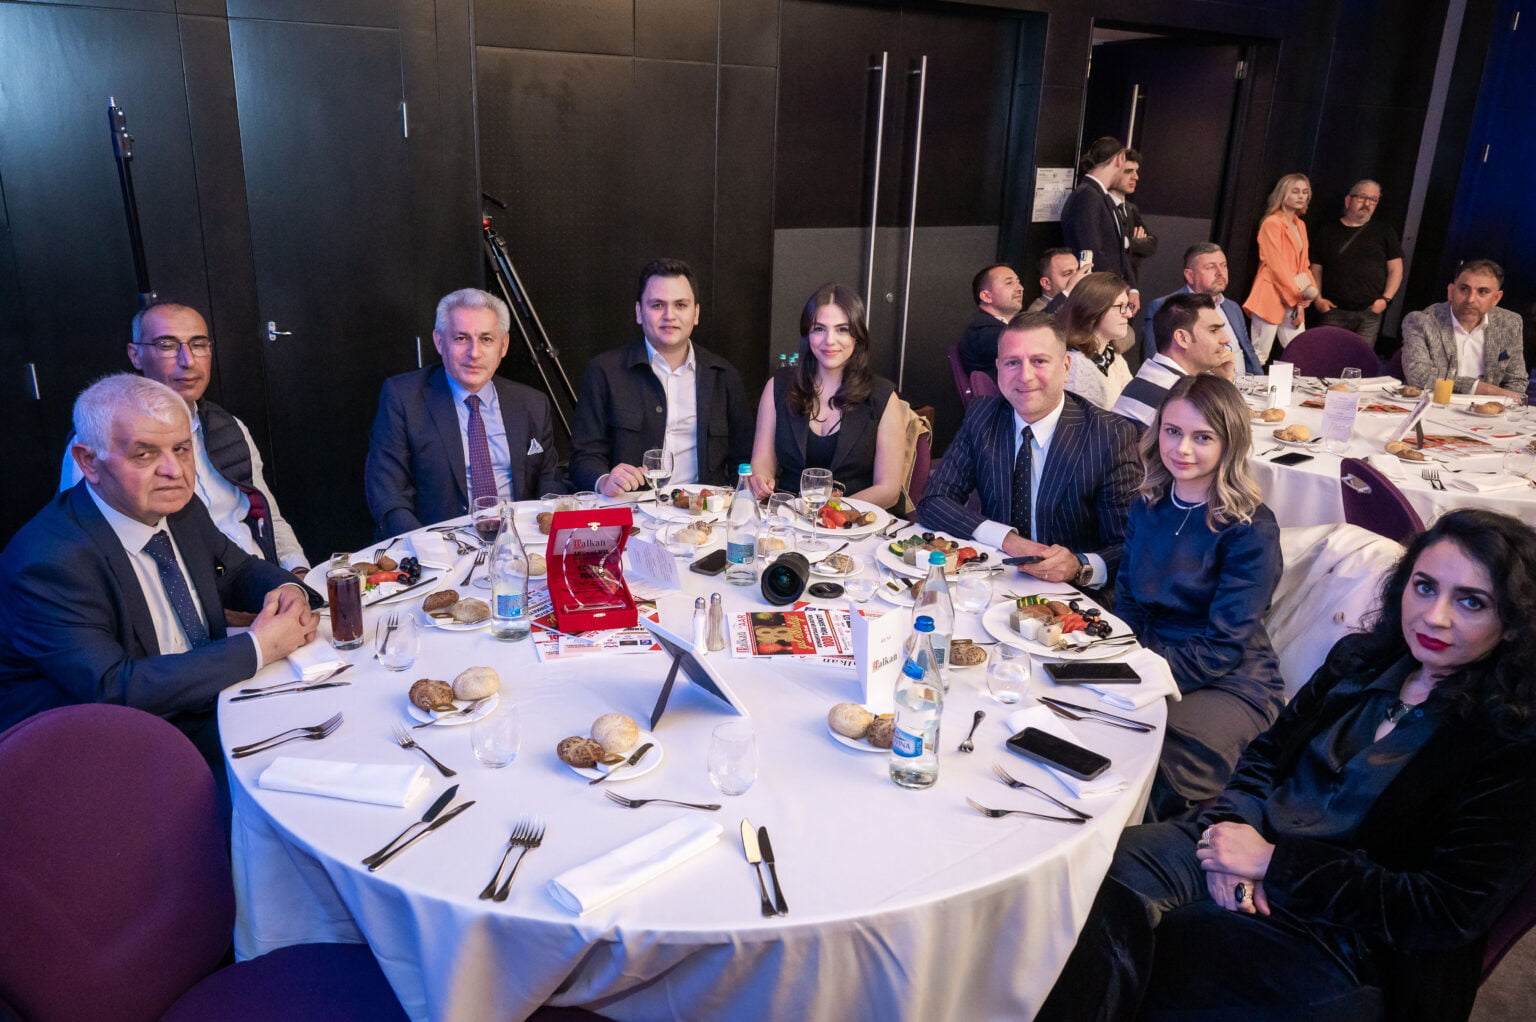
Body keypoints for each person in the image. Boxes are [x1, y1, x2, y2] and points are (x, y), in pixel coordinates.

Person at [1039, 508, 1536, 1022]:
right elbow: (1267, 755)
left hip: (1351, 938)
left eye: (1472, 602)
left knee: (1175, 953)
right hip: (1249, 842)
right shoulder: (1360, 660)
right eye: (1425, 587)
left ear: (1513, 621)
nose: (1435, 616)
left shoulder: (1512, 741)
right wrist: (1230, 837)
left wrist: (1275, 866)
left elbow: (1445, 911)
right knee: (1094, 876)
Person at [0, 375, 319, 784]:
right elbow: (113, 689)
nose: (174, 471)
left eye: (181, 449)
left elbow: (238, 570)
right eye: (144, 454)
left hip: (201, 701)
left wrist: (288, 590)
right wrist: (258, 647)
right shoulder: (48, 561)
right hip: (93, 754)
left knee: (332, 732)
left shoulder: (181, 508)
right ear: (89, 462)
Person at [1116, 375, 1284, 820]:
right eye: (1173, 431)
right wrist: (1121, 662)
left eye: (1202, 437)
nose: (1182, 449)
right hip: (1148, 656)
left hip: (1228, 679)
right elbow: (1127, 599)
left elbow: (1224, 645)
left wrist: (1141, 677)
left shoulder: (1250, 529)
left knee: (1150, 756)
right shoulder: (1147, 504)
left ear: (1230, 443)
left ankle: (1136, 854)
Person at [61, 303, 310, 584]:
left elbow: (268, 518)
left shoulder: (231, 428)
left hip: (259, 580)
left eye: (198, 344)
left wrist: (298, 574)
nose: (188, 360)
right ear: (135, 355)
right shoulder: (100, 442)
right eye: (167, 345)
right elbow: (91, 549)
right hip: (187, 597)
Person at [916, 312, 1138, 590]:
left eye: (1039, 361)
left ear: (1066, 367)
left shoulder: (1108, 435)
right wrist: (1008, 540)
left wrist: (1079, 565)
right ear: (998, 368)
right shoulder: (983, 417)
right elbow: (934, 501)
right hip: (993, 581)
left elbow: (1129, 545)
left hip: (1070, 594)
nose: (1025, 376)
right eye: (1013, 363)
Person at [365, 288, 567, 537]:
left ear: (503, 345)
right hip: (436, 543)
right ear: (440, 342)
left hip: (518, 540)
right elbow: (388, 494)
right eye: (461, 338)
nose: (474, 353)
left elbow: (549, 480)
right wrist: (424, 547)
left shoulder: (532, 403)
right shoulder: (403, 398)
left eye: (486, 339)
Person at [569, 258, 754, 496]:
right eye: (657, 305)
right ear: (639, 312)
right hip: (631, 505)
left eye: (680, 305)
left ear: (696, 313)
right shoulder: (604, 371)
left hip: (703, 509)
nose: (669, 315)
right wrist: (605, 480)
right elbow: (583, 458)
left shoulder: (723, 376)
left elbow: (744, 459)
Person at [750, 284, 905, 509]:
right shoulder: (778, 386)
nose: (829, 340)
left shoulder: (882, 397)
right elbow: (762, 462)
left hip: (856, 518)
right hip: (789, 514)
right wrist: (761, 479)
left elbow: (888, 490)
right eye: (819, 329)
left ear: (857, 336)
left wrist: (828, 510)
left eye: (842, 329)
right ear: (807, 334)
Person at [1401, 260, 1526, 398]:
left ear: (1496, 298)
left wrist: (1500, 405)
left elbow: (1516, 380)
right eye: (1464, 289)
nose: (1470, 299)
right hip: (1434, 404)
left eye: (1482, 292)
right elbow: (1419, 376)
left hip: (1486, 408)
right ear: (1451, 291)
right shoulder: (1421, 321)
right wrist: (1481, 389)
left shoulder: (1509, 323)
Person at [1113, 293, 1236, 428]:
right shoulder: (1179, 397)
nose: (1226, 339)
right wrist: (1226, 381)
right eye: (1213, 330)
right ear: (1182, 338)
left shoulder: (1152, 376)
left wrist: (1224, 379)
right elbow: (1232, 432)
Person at [1141, 243, 1263, 375]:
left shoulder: (1232, 307)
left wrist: (1263, 381)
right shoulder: (1167, 307)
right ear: (1189, 275)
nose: (1220, 273)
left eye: (1223, 265)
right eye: (1211, 267)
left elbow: (1249, 353)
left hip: (1243, 385)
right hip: (1197, 386)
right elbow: (1156, 361)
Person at [1308, 179, 1403, 347]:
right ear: (1348, 200)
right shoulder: (1328, 231)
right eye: (1362, 197)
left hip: (1369, 313)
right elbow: (1316, 268)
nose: (1367, 203)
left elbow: (1396, 269)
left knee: (1360, 360)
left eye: (1373, 199)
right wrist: (1318, 299)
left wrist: (1386, 300)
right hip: (1333, 311)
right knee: (1325, 355)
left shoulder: (1385, 231)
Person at [1243, 173, 1318, 363]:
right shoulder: (1272, 223)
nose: (1301, 196)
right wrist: (1298, 295)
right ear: (1283, 194)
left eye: (1305, 192)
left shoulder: (1300, 225)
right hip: (1270, 294)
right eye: (1295, 191)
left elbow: (1303, 265)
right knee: (1259, 355)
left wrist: (1309, 291)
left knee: (1300, 352)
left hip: (1293, 297)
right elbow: (1276, 266)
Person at [1059, 137, 1139, 313]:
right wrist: (1115, 292)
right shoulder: (1088, 196)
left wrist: (1132, 288)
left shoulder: (1101, 196)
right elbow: (1091, 251)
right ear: (1120, 159)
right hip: (1099, 297)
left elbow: (1119, 250)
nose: (1135, 176)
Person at [1059, 271, 1135, 409]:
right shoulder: (1076, 366)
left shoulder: (1111, 355)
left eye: (1128, 306)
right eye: (1121, 307)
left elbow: (1132, 405)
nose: (1129, 314)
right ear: (1093, 311)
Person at [959, 264, 1025, 377]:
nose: (1020, 288)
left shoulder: (993, 327)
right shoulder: (984, 332)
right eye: (1009, 283)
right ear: (986, 296)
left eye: (1018, 282)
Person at [1110, 148, 1158, 287]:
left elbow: (1151, 245)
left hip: (1130, 284)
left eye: (1136, 171)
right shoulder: (1101, 207)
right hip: (1108, 285)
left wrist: (1130, 244)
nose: (1136, 177)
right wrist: (1133, 244)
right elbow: (1110, 248)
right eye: (1128, 171)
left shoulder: (1131, 209)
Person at [1027, 248, 1080, 313]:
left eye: (1078, 270)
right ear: (1046, 283)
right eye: (1068, 273)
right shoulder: (1035, 312)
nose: (1077, 277)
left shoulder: (1080, 302)